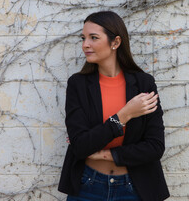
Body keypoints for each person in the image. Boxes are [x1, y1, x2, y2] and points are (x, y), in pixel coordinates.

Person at [58, 11, 170, 201]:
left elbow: (154, 147)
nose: (85, 44)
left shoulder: (143, 84)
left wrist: (105, 155)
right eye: (83, 38)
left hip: (134, 188)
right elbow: (80, 145)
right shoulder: (78, 84)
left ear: (115, 42)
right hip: (87, 187)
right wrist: (123, 116)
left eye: (94, 38)